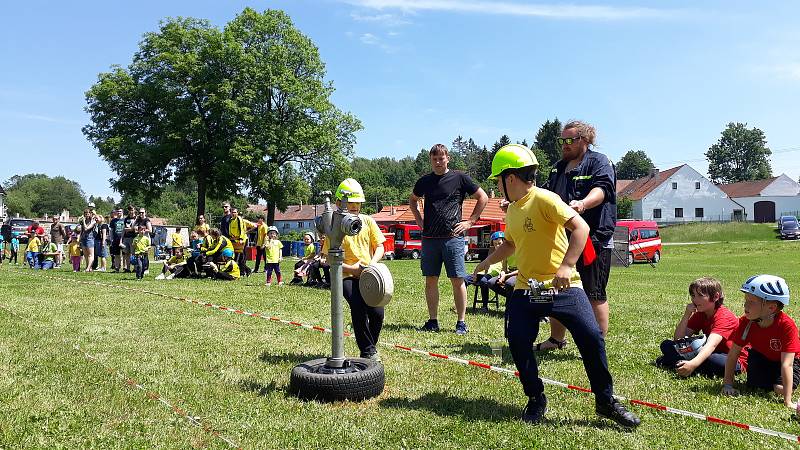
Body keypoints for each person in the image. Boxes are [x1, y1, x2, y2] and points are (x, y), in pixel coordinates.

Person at [472, 144, 640, 427]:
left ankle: (605, 402)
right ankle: (536, 398)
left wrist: (566, 265)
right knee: (518, 340)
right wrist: (487, 261)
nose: (498, 188)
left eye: (498, 182)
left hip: (565, 287)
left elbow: (581, 228)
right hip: (527, 288)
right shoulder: (512, 211)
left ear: (509, 178)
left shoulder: (545, 199)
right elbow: (511, 243)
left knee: (591, 338)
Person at [537, 120, 617, 351]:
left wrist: (582, 204)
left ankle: (596, 343)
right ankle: (556, 339)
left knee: (594, 291)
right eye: (562, 140)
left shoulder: (600, 162)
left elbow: (602, 190)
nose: (564, 144)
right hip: (562, 238)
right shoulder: (557, 167)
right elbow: (543, 194)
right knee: (558, 288)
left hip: (594, 239)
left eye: (570, 140)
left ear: (585, 140)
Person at [410, 143, 488, 335]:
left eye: (441, 158)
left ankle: (461, 322)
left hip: (453, 238)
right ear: (431, 160)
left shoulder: (460, 178)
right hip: (429, 239)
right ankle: (432, 321)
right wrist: (419, 221)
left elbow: (483, 197)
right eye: (434, 159)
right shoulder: (424, 181)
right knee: (431, 280)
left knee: (457, 280)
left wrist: (470, 222)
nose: (438, 162)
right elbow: (413, 200)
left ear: (448, 158)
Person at [322, 178, 387, 360]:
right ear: (338, 203)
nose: (355, 207)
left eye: (358, 203)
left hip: (368, 274)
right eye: (351, 203)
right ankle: (368, 350)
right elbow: (328, 258)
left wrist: (372, 264)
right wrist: (352, 269)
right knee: (358, 306)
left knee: (377, 313)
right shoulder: (335, 226)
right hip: (345, 276)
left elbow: (380, 246)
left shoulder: (367, 221)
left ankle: (369, 348)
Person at [722, 275, 800, 411]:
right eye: (746, 300)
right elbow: (733, 354)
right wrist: (728, 384)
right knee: (753, 385)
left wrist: (788, 401)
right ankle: (769, 379)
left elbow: (787, 363)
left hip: (788, 360)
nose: (745, 305)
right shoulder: (746, 322)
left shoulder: (786, 326)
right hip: (761, 356)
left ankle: (781, 382)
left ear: (771, 308)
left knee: (780, 389)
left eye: (751, 301)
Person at [656, 277, 747, 378]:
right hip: (710, 351)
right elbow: (678, 339)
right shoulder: (701, 313)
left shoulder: (724, 317)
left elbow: (711, 345)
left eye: (700, 296)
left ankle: (681, 364)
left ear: (716, 296)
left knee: (712, 360)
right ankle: (685, 364)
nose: (695, 300)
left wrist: (693, 364)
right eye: (693, 295)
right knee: (667, 345)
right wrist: (687, 314)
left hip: (733, 359)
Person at [465, 231, 507, 310]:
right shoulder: (491, 252)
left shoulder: (506, 253)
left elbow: (505, 268)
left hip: (493, 274)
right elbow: (485, 264)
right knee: (464, 279)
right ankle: (462, 304)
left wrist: (502, 274)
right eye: (495, 244)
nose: (497, 246)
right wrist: (475, 273)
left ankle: (485, 306)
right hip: (483, 273)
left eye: (499, 243)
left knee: (483, 281)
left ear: (504, 242)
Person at [228, 207, 255, 277]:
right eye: (232, 212)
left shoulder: (239, 219)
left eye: (235, 212)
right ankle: (246, 270)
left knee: (241, 257)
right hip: (234, 240)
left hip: (241, 240)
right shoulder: (231, 220)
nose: (233, 214)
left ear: (237, 213)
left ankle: (242, 272)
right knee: (236, 257)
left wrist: (241, 238)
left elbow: (241, 229)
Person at [133, 208, 152, 275]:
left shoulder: (147, 220)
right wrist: (136, 220)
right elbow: (133, 227)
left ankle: (146, 268)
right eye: (140, 212)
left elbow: (150, 230)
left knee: (145, 254)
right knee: (139, 253)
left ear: (145, 213)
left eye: (142, 212)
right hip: (138, 239)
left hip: (146, 238)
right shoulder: (138, 219)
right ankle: (138, 268)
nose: (141, 214)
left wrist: (141, 230)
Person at [121, 206, 137, 273]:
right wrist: (121, 239)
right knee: (126, 253)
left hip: (133, 237)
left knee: (134, 254)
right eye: (130, 210)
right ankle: (128, 268)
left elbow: (136, 229)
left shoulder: (136, 218)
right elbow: (123, 229)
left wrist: (129, 229)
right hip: (126, 238)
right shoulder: (126, 219)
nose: (131, 211)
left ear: (134, 210)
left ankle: (135, 268)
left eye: (132, 210)